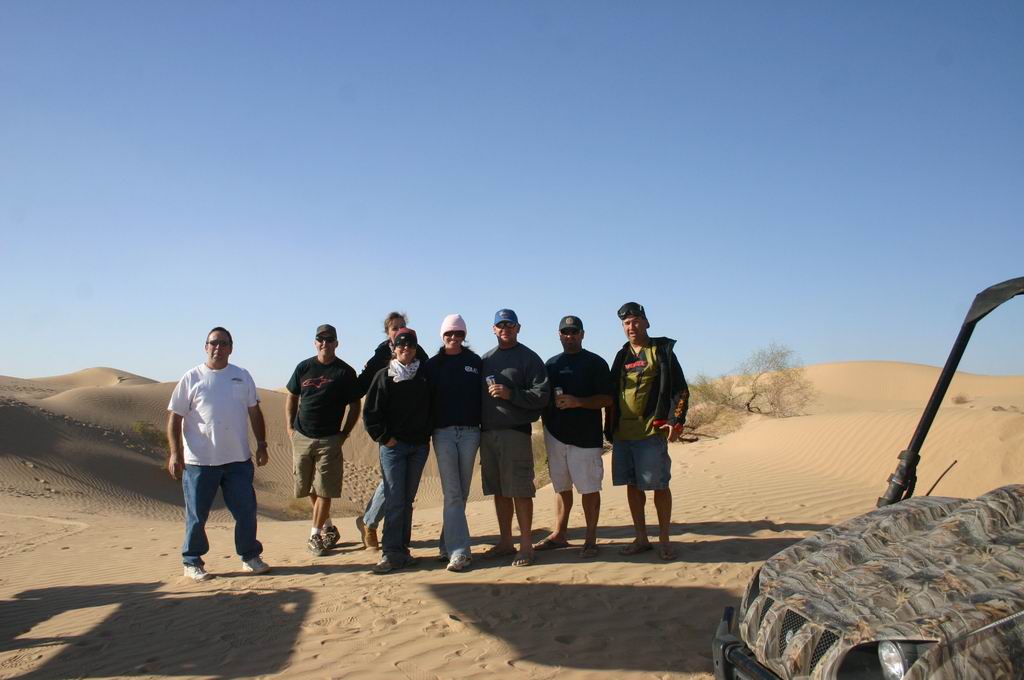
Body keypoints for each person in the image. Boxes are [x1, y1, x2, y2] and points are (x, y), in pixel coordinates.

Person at [166, 327, 271, 582]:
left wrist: (262, 444)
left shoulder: (242, 376)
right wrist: (175, 454)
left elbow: (254, 412)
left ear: (231, 348)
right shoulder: (192, 377)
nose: (218, 347)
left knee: (246, 511)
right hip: (200, 462)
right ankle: (192, 561)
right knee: (197, 515)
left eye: (224, 343)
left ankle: (250, 556)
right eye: (213, 343)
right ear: (206, 347)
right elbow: (175, 418)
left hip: (237, 460)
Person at [606, 302, 689, 561]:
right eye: (626, 323)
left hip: (651, 432)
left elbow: (681, 389)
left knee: (659, 485)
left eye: (636, 321)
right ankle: (641, 538)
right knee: (632, 485)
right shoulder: (621, 355)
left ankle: (664, 540)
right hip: (623, 434)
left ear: (646, 322)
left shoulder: (661, 351)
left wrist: (676, 421)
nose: (631, 326)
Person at [535, 315, 612, 558]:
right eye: (565, 332)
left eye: (574, 332)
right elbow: (541, 398)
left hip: (585, 438)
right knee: (561, 488)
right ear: (559, 335)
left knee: (589, 488)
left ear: (582, 334)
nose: (570, 336)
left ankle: (590, 539)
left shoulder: (595, 363)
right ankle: (559, 534)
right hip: (555, 436)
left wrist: (578, 401)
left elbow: (607, 398)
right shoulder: (551, 364)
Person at [480, 308, 550, 567]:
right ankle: (506, 542)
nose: (505, 329)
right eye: (501, 325)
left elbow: (542, 396)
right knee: (499, 491)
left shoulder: (529, 358)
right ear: (493, 329)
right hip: (488, 434)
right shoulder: (486, 359)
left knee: (519, 490)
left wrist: (512, 394)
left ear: (518, 328)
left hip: (515, 432)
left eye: (510, 325)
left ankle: (526, 545)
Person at [285, 323, 361, 556]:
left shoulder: (344, 372)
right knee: (308, 486)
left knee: (325, 489)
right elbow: (292, 396)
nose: (325, 343)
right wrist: (290, 427)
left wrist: (344, 433)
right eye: (321, 339)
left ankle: (315, 535)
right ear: (315, 343)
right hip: (302, 436)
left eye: (329, 339)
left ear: (336, 343)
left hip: (330, 438)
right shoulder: (304, 367)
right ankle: (328, 527)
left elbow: (355, 404)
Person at [355, 312, 428, 550]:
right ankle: (373, 526)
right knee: (392, 488)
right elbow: (363, 386)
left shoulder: (418, 353)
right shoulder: (379, 357)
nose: (399, 332)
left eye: (402, 326)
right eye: (394, 328)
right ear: (388, 333)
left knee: (399, 492)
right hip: (390, 436)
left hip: (415, 437)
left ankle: (393, 539)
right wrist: (383, 434)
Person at [425, 314, 482, 572]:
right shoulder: (433, 365)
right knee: (452, 493)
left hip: (471, 433)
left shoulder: (475, 362)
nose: (454, 338)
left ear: (464, 335)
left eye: (459, 333)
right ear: (442, 335)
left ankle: (445, 544)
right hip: (443, 433)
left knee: (462, 493)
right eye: (449, 333)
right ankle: (460, 553)